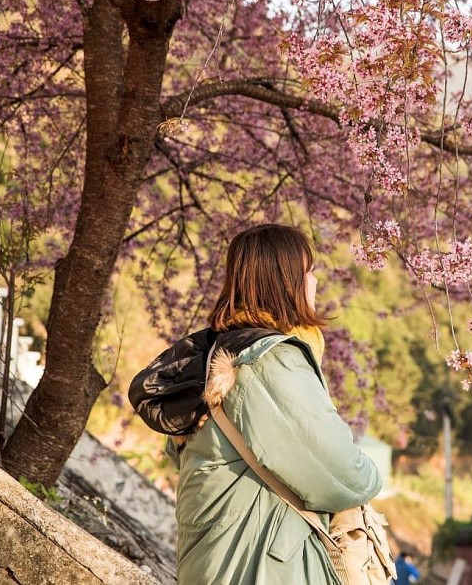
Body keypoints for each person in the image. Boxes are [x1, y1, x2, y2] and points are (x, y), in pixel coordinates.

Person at [129, 224, 382, 584]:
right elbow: (340, 473)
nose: (315, 282)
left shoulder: (214, 354)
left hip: (221, 558)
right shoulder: (268, 362)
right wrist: (373, 477)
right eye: (308, 272)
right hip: (262, 565)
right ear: (286, 281)